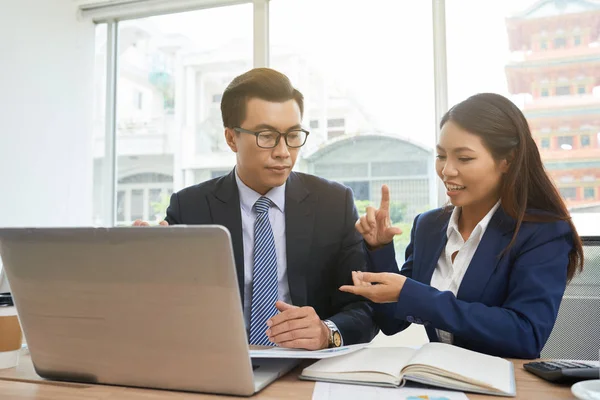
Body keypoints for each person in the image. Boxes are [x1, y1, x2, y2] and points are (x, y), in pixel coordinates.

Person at [134, 68, 377, 350]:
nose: (283, 152)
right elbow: (167, 310)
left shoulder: (333, 203)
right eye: (266, 136)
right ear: (231, 138)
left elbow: (365, 308)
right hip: (219, 364)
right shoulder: (190, 208)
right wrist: (146, 269)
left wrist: (327, 331)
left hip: (304, 369)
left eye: (293, 135)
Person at [340, 93, 583, 359]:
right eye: (441, 156)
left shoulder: (543, 233)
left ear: (507, 160)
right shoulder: (428, 226)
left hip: (502, 385)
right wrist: (380, 248)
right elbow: (392, 323)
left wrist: (415, 295)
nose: (447, 171)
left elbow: (526, 335)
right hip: (438, 379)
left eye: (464, 158)